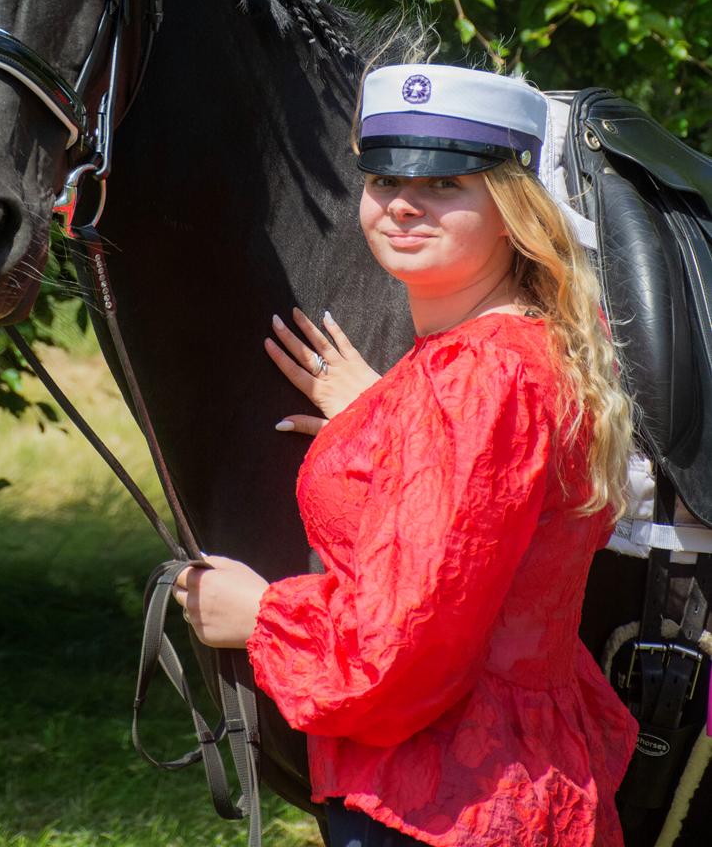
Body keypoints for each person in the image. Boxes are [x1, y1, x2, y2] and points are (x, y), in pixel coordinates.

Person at [172, 63, 639, 847]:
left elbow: (403, 647)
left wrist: (258, 615)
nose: (401, 204)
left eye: (446, 184)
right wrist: (384, 414)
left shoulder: (476, 377)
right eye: (382, 178)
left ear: (510, 209)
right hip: (475, 786)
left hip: (449, 807)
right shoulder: (496, 352)